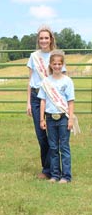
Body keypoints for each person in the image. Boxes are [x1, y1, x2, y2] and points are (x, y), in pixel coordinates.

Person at [26, 25, 66, 180]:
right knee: (41, 135)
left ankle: (53, 169)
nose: (43, 40)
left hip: (53, 99)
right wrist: (28, 102)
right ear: (38, 40)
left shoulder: (56, 56)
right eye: (41, 38)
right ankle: (47, 167)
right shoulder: (33, 56)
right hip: (37, 98)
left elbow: (63, 79)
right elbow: (30, 81)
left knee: (54, 136)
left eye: (46, 38)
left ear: (51, 39)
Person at [38, 50, 74, 183]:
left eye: (59, 64)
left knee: (64, 146)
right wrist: (42, 118)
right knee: (53, 147)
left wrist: (70, 118)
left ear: (63, 65)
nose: (57, 66)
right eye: (55, 64)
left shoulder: (68, 81)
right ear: (51, 65)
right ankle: (54, 175)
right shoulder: (46, 82)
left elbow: (70, 101)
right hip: (50, 118)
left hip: (63, 117)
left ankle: (66, 176)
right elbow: (43, 100)